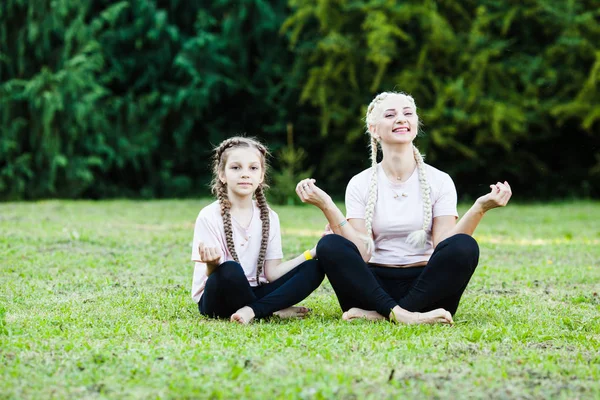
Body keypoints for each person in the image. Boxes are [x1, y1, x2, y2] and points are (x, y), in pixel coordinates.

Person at [296, 91, 512, 324]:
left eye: (408, 113)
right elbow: (363, 253)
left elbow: (445, 246)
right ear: (374, 129)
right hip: (371, 288)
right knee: (329, 245)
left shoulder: (440, 180)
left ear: (415, 125)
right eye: (390, 115)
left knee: (465, 246)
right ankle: (404, 315)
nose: (401, 119)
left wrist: (479, 208)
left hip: (428, 289)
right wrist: (327, 205)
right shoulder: (360, 183)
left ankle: (386, 315)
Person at [191, 137, 324, 324]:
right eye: (236, 168)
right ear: (222, 174)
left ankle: (253, 310)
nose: (245, 174)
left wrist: (313, 252)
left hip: (257, 291)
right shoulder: (209, 216)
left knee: (314, 268)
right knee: (229, 269)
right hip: (218, 297)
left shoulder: (269, 217)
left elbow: (273, 273)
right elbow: (217, 277)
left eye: (253, 168)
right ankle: (269, 310)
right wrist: (212, 264)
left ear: (261, 176)